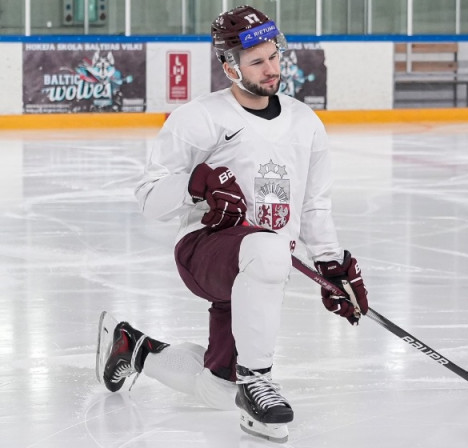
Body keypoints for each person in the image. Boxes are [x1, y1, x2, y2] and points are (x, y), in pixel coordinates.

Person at [95, 5, 368, 443]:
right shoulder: (199, 118)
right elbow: (148, 198)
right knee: (268, 250)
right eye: (257, 61)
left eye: (274, 56)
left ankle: (133, 347)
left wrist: (332, 266)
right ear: (229, 66)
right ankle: (259, 377)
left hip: (263, 267)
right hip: (206, 251)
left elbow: (315, 205)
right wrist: (194, 183)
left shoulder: (305, 123)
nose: (272, 68)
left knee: (221, 389)